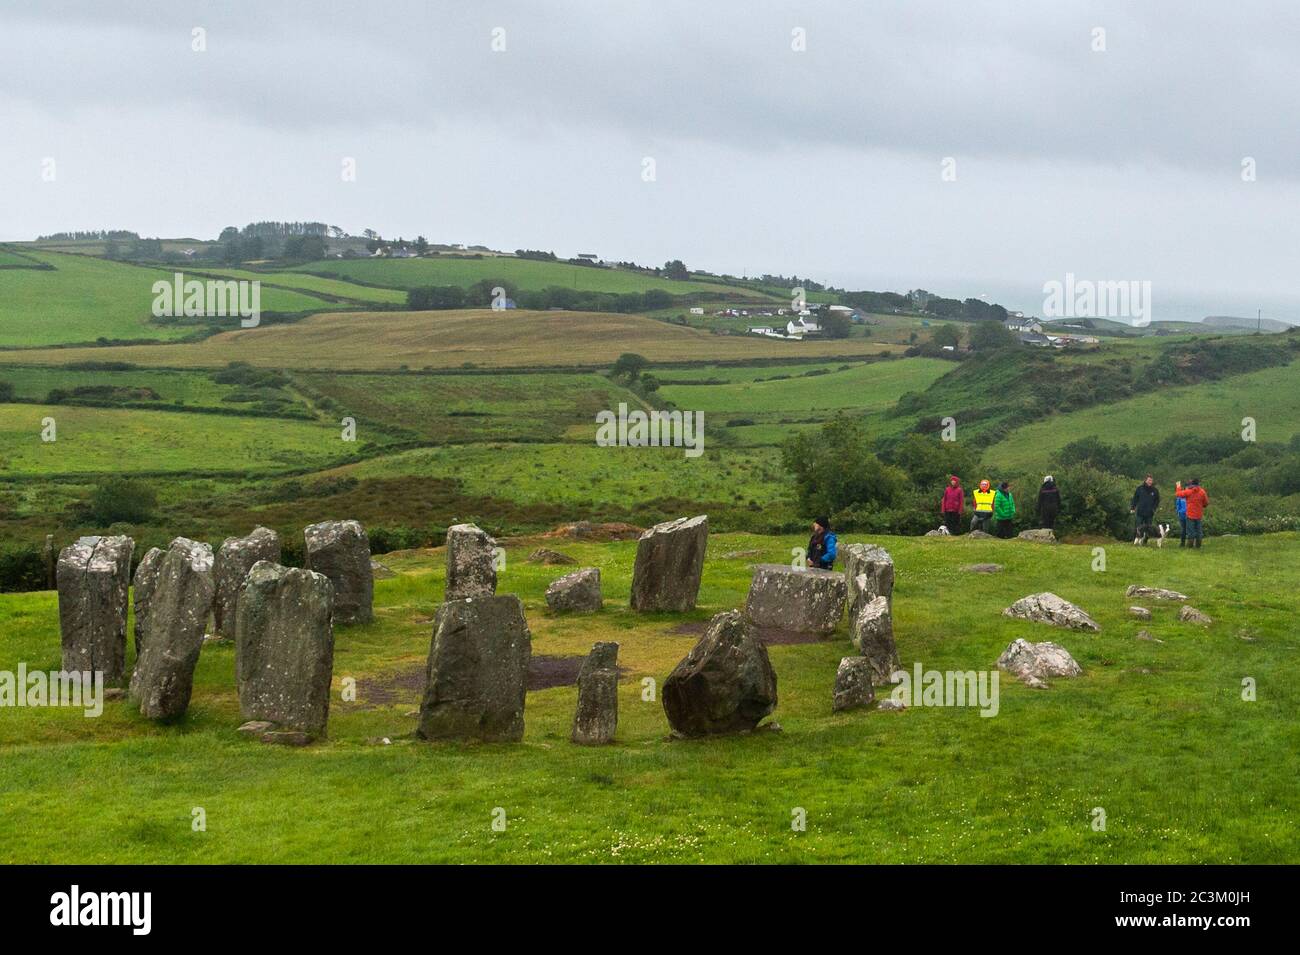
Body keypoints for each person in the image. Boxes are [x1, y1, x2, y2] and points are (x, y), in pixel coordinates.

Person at [1175, 479, 1209, 549]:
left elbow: (1178, 494)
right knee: (1199, 531)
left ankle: (1190, 546)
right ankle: (1198, 546)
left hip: (1190, 515)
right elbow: (1206, 503)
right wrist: (1201, 505)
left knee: (1191, 532)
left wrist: (1178, 487)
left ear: (1192, 484)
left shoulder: (1189, 491)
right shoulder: (1202, 492)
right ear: (1198, 484)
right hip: (1199, 515)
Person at [1130, 474, 1161, 544]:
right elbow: (1135, 499)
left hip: (1150, 512)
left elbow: (1157, 501)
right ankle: (1135, 541)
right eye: (1149, 480)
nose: (1150, 482)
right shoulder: (1139, 488)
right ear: (1145, 480)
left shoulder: (1155, 490)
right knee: (1138, 527)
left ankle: (1145, 541)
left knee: (1149, 528)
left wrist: (1154, 508)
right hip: (1140, 511)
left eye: (1151, 480)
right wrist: (1133, 507)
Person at [1175, 480, 1189, 547]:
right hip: (1182, 514)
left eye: (1188, 488)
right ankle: (1182, 543)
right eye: (1186, 487)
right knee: (1183, 529)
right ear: (1184, 488)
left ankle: (1190, 543)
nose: (1187, 489)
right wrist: (1178, 511)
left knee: (1190, 529)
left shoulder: (1190, 495)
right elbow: (1178, 504)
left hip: (1190, 514)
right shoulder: (1181, 495)